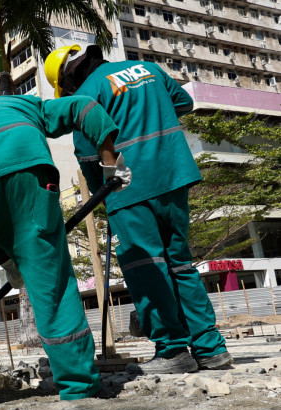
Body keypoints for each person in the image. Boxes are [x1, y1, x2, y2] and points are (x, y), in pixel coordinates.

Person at [0, 94, 128, 404]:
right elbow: (83, 106)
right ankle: (79, 383)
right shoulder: (28, 105)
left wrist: (5, 257)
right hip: (30, 170)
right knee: (52, 283)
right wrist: (110, 163)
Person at [44, 44, 232, 375]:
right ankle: (210, 349)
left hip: (130, 187)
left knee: (147, 267)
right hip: (174, 175)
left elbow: (89, 156)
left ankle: (173, 350)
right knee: (180, 265)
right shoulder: (148, 69)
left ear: (67, 82)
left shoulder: (87, 95)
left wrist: (105, 193)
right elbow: (184, 102)